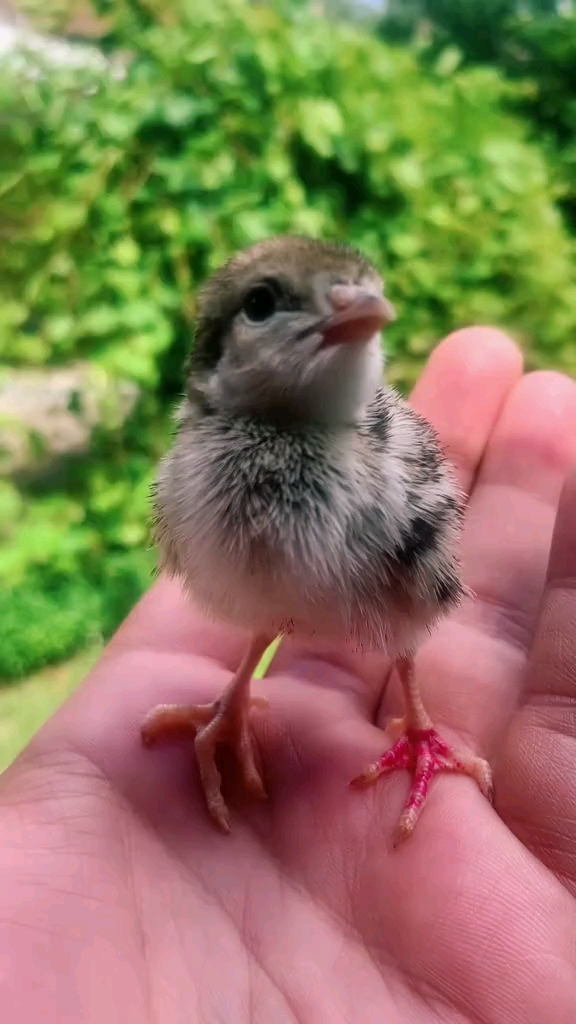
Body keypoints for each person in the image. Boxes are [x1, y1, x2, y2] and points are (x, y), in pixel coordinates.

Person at [1, 326, 576, 1023]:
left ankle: (418, 726)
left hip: (379, 548)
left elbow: (419, 589)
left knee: (397, 617)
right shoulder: (208, 472)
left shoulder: (374, 462)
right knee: (273, 598)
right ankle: (236, 697)